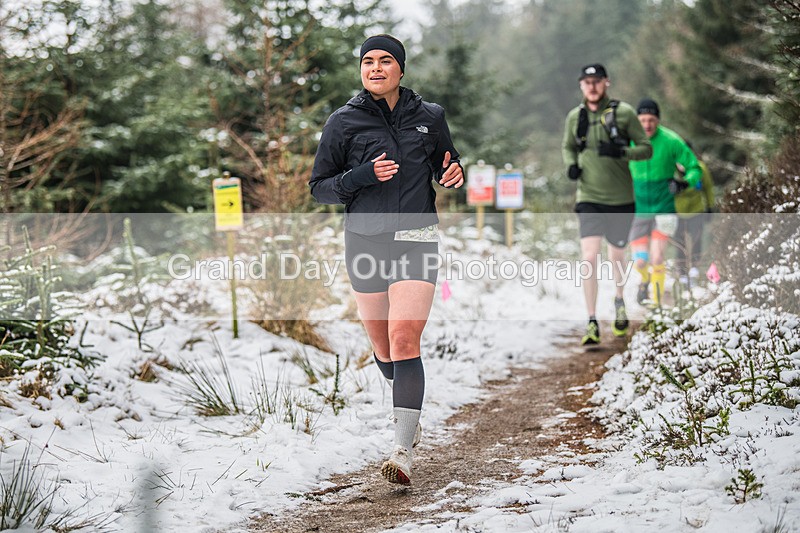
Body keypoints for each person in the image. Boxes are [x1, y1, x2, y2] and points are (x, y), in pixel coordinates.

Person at [309, 34, 464, 485]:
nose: (375, 68)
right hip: (364, 239)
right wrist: (361, 175)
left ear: (401, 69)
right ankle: (409, 417)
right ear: (361, 70)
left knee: (403, 337)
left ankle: (402, 450)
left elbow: (446, 165)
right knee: (381, 346)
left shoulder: (429, 116)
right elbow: (319, 186)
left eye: (385, 61)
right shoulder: (343, 122)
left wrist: (454, 174)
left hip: (416, 235)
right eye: (368, 62)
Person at [562, 64, 653, 345]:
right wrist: (572, 165)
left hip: (621, 199)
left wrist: (621, 151)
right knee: (589, 257)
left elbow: (645, 148)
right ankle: (591, 320)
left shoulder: (623, 113)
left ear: (606, 83)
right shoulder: (574, 117)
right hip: (589, 197)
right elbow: (568, 147)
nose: (592, 86)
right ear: (581, 85)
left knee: (616, 256)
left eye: (597, 81)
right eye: (587, 82)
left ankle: (619, 300)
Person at [628, 98, 702, 305]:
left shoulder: (671, 141)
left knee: (658, 258)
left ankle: (656, 304)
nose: (647, 125)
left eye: (651, 120)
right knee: (641, 262)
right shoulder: (629, 141)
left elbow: (694, 167)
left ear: (658, 120)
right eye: (642, 120)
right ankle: (645, 281)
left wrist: (684, 183)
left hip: (664, 209)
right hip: (639, 210)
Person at [673, 141, 715, 288]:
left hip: (696, 210)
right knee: (679, 243)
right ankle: (682, 273)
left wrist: (710, 207)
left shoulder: (700, 168)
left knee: (697, 241)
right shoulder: (670, 170)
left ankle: (695, 271)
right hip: (676, 212)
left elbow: (708, 188)